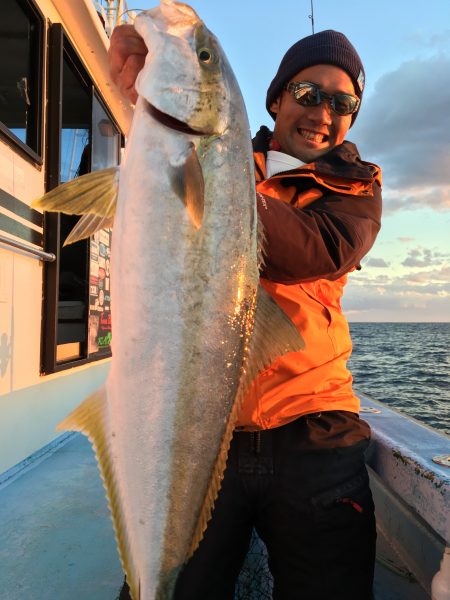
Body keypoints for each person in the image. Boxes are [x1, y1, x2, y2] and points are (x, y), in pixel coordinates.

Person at [110, 24, 382, 600]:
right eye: (309, 93)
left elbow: (319, 249)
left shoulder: (355, 190)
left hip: (315, 431)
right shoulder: (219, 153)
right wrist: (143, 93)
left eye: (342, 103)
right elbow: (155, 176)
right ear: (277, 98)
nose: (323, 113)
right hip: (212, 429)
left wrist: (214, 172)